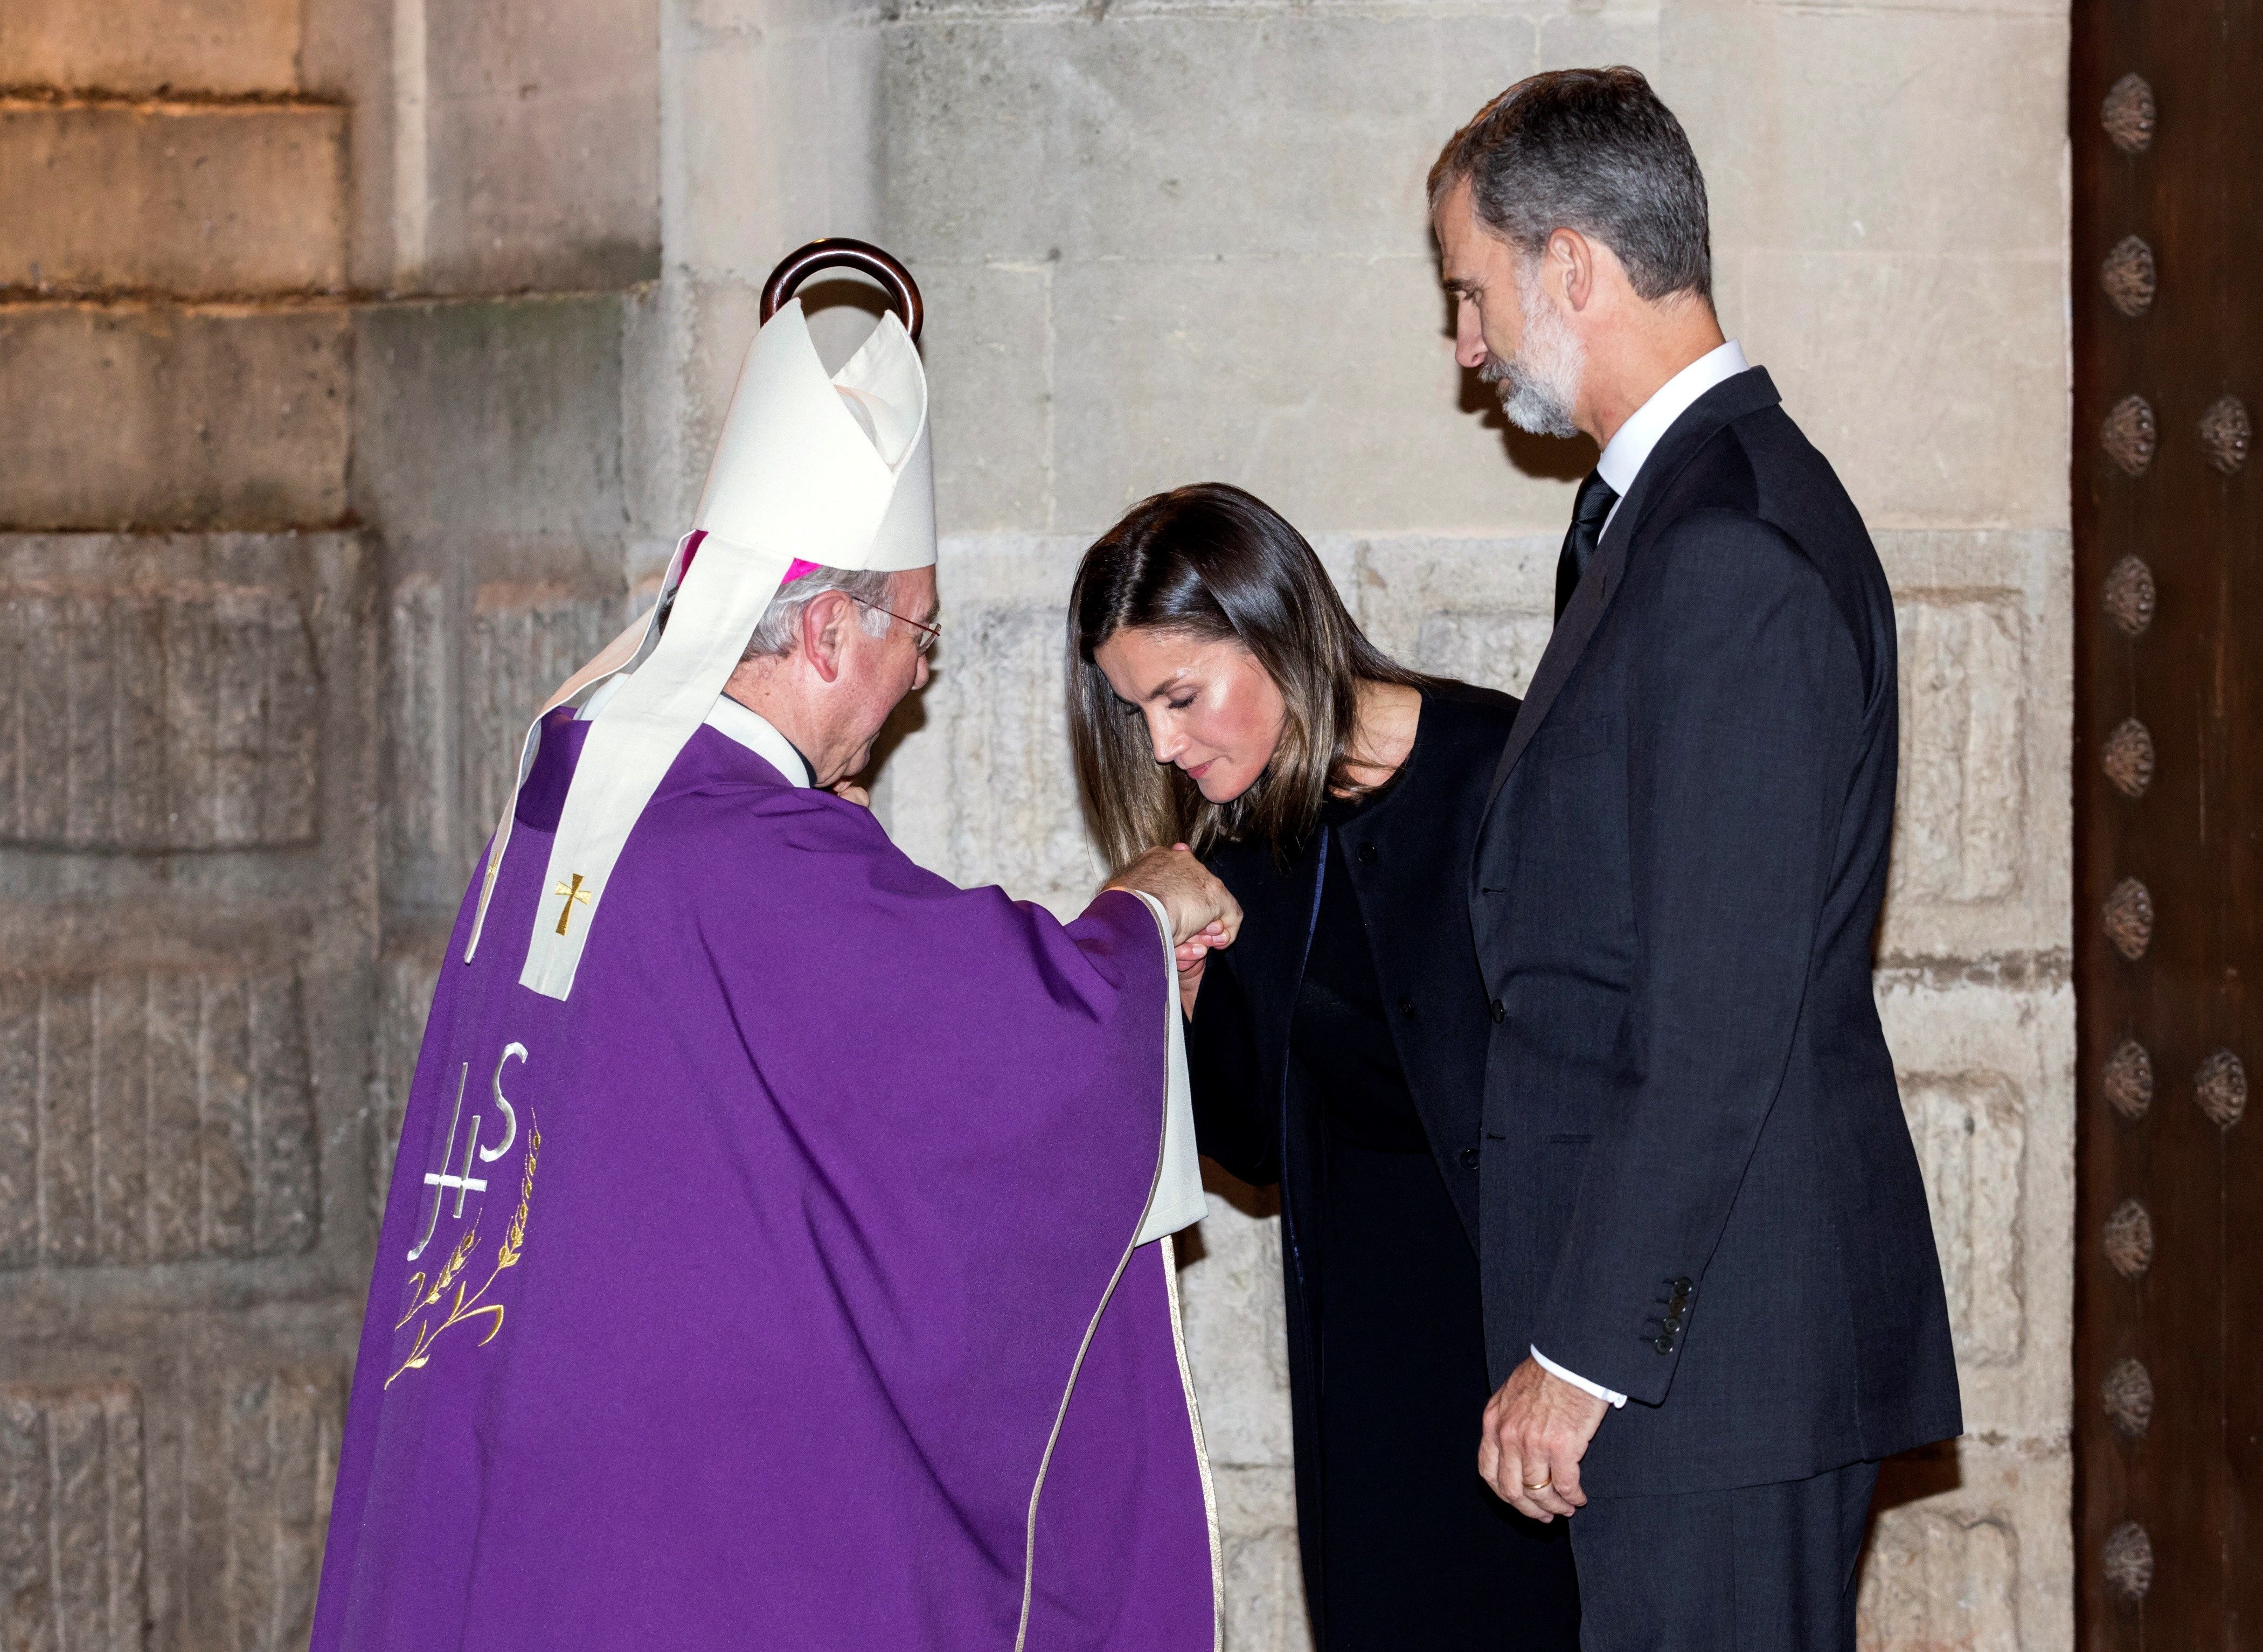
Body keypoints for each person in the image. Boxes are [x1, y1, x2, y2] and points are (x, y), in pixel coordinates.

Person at [309, 268, 1234, 1649]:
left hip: (530, 1435)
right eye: (914, 631)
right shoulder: (749, 855)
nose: (917, 673)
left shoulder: (585, 771)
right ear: (821, 627)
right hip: (666, 1515)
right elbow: (1002, 1044)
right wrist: (1138, 925)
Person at [1430, 68, 1963, 1648]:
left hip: (1712, 1360)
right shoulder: (1669, 515)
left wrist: (1585, 1352)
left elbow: (1719, 1016)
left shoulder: (1726, 543)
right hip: (1703, 1354)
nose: (1464, 347)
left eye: (1471, 293)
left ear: (1571, 264)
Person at [1067, 483, 1581, 1651]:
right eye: (1135, 709)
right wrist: (1183, 1005)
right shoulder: (1238, 837)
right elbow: (1253, 1142)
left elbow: (1610, 1076)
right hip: (1370, 1351)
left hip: (1531, 1332)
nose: (1162, 744)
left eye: (1181, 697)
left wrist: (1580, 1352)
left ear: (1277, 631)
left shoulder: (1501, 768)